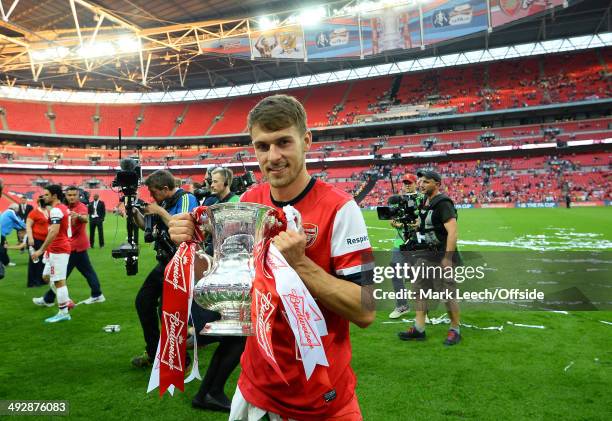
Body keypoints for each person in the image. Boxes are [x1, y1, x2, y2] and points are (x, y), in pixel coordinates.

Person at [169, 95, 375, 420]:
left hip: (317, 394)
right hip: (254, 385)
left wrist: (301, 264)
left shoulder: (340, 208)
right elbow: (231, 288)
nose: (273, 157)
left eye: (283, 142)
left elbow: (365, 310)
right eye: (262, 146)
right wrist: (190, 246)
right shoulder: (250, 201)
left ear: (306, 141)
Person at [130, 170, 198, 368]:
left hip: (182, 262)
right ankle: (154, 353)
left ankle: (179, 360)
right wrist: (135, 213)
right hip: (165, 261)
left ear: (166, 189)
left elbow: (184, 229)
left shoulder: (187, 198)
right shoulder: (162, 203)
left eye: (154, 193)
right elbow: (149, 228)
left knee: (169, 312)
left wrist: (159, 211)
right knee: (143, 302)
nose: (152, 197)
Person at [398, 170, 461, 346]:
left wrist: (448, 259)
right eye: (420, 181)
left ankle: (455, 329)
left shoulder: (443, 203)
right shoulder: (426, 201)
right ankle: (419, 329)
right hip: (426, 254)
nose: (421, 184)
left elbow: (453, 232)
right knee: (419, 290)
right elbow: (423, 225)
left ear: (437, 184)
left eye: (426, 182)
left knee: (447, 294)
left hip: (442, 255)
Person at [33, 186, 105, 307]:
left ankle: (49, 299)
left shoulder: (81, 207)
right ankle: (97, 294)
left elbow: (85, 218)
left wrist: (78, 216)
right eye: (69, 195)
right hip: (73, 246)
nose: (71, 197)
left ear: (78, 196)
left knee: (60, 275)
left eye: (74, 195)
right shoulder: (66, 207)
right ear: (65, 196)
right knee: (86, 272)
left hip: (74, 247)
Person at [31, 185, 74, 323]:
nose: (44, 197)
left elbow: (54, 232)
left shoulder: (56, 210)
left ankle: (63, 312)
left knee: (59, 282)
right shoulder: (62, 208)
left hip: (59, 249)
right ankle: (66, 301)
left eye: (46, 194)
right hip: (55, 249)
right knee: (46, 277)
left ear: (54, 196)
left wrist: (41, 250)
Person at [388, 173, 424, 319]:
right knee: (395, 272)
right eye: (405, 183)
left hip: (418, 240)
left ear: (416, 183)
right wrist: (394, 222)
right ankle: (402, 305)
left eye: (410, 182)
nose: (407, 185)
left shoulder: (422, 198)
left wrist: (419, 223)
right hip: (400, 239)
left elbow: (426, 217)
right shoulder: (398, 199)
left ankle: (422, 311)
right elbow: (395, 218)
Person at [25, 196, 49, 288]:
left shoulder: (48, 211)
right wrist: (30, 238)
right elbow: (28, 226)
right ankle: (32, 282)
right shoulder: (34, 212)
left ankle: (40, 280)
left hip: (45, 240)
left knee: (43, 261)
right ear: (39, 202)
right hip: (35, 239)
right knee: (34, 261)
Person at [1, 203, 26, 267]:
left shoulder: (7, 213)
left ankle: (5, 262)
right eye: (17, 209)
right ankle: (4, 263)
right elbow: (18, 221)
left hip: (2, 233)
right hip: (1, 233)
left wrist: (22, 228)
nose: (18, 211)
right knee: (3, 248)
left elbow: (15, 225)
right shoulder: (11, 212)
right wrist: (27, 227)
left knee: (3, 248)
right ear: (15, 209)